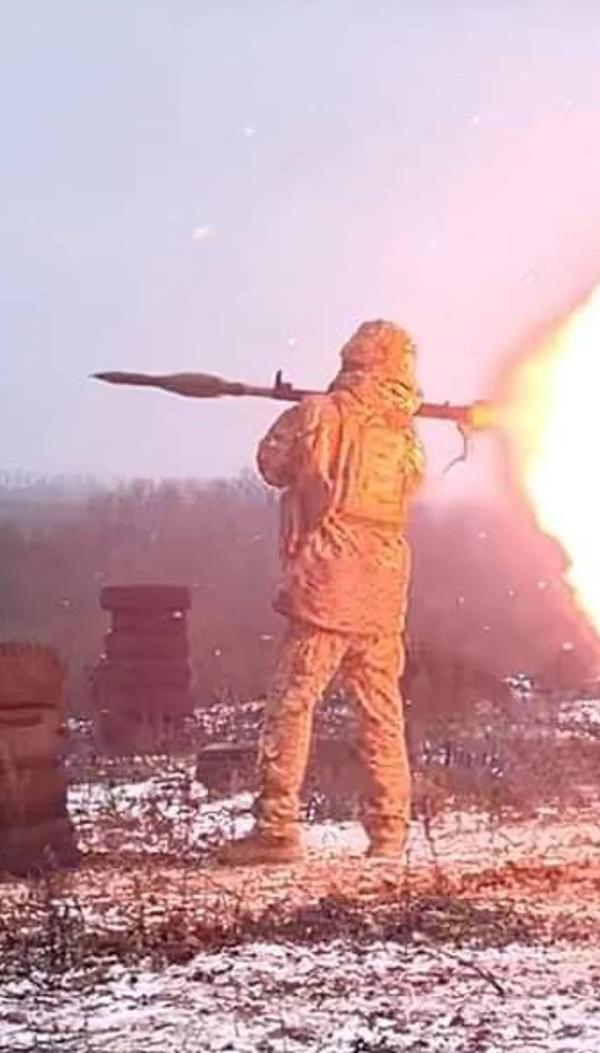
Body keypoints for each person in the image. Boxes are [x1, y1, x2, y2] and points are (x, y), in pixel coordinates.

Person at [217, 320, 425, 865]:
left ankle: (277, 828)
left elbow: (273, 465)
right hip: (383, 583)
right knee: (381, 708)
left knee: (293, 702)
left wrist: (301, 413)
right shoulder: (404, 431)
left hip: (329, 580)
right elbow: (414, 484)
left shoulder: (322, 413)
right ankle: (389, 831)